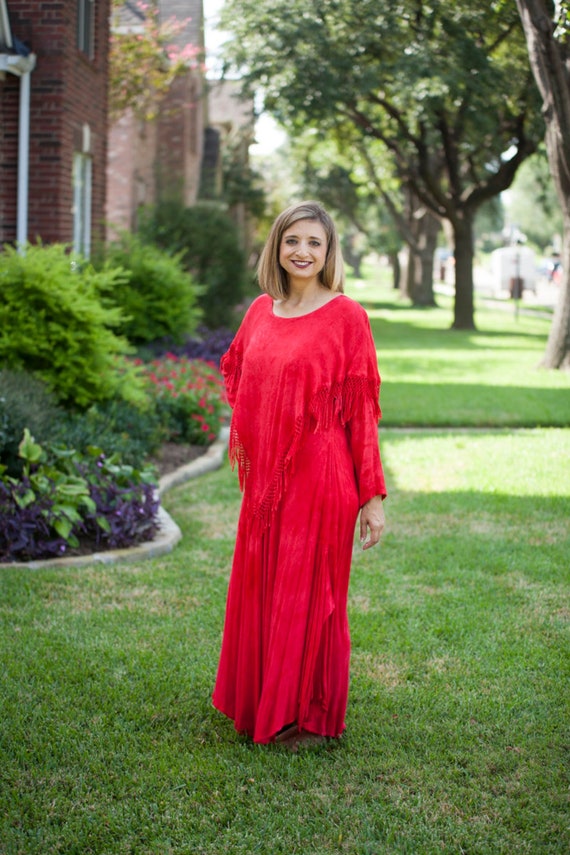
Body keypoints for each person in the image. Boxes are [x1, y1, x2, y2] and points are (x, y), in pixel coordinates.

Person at [212, 201, 387, 748]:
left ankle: (306, 716)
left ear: (330, 250)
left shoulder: (348, 317)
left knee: (309, 597)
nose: (302, 252)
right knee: (265, 590)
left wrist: (372, 496)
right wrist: (268, 438)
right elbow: (242, 381)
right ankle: (263, 700)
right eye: (293, 241)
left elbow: (362, 413)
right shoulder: (261, 311)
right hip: (269, 483)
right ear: (277, 248)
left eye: (314, 242)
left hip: (322, 481)